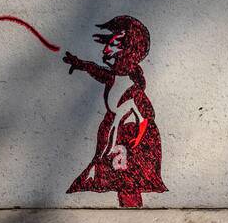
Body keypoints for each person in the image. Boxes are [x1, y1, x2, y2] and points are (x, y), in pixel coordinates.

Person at [62, 15, 167, 209]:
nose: (107, 50)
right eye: (109, 44)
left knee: (127, 183)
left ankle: (131, 215)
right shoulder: (113, 78)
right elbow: (97, 71)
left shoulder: (132, 88)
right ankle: (129, 212)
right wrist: (81, 64)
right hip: (117, 135)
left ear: (129, 51)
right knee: (117, 181)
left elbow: (147, 115)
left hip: (129, 138)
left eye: (115, 45)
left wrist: (135, 138)